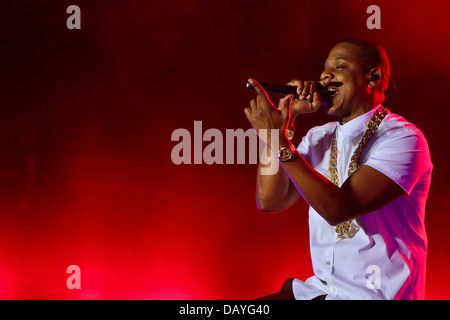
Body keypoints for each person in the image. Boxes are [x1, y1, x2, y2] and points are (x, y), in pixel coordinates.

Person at [244, 39, 432, 300]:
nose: (324, 75)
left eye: (339, 67)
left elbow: (339, 209)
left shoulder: (404, 139)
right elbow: (269, 200)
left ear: (373, 77)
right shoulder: (319, 136)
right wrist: (284, 126)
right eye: (324, 69)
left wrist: (279, 141)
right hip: (318, 292)